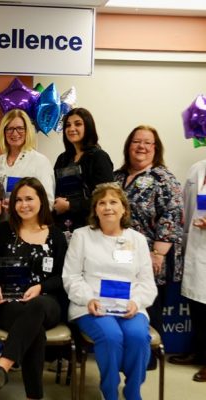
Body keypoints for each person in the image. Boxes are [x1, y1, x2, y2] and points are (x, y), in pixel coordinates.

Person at [62, 183, 157, 400]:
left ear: (124, 208)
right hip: (91, 305)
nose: (108, 207)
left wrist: (137, 302)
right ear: (95, 209)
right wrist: (88, 299)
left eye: (113, 202)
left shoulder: (137, 240)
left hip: (130, 305)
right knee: (111, 336)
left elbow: (146, 282)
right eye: (101, 203)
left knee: (138, 336)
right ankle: (109, 391)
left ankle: (133, 390)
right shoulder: (81, 236)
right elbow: (71, 276)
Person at [0, 177, 67, 399]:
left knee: (37, 306)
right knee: (34, 330)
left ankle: (4, 363)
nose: (24, 205)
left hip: (46, 301)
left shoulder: (56, 236)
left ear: (41, 200)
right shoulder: (2, 231)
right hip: (8, 302)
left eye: (29, 199)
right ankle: (34, 396)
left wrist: (41, 287)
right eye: (18, 200)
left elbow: (63, 277)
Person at [114, 125, 183, 369]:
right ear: (128, 146)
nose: (141, 147)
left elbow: (172, 216)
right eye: (136, 141)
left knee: (148, 305)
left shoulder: (163, 179)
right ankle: (127, 354)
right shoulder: (117, 177)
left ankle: (147, 359)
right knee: (125, 303)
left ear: (156, 148)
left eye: (147, 142)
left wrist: (158, 254)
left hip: (152, 255)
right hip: (121, 254)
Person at [53, 107, 114, 239]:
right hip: (63, 226)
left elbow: (105, 197)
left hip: (91, 227)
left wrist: (70, 205)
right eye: (68, 125)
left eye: (78, 124)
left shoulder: (99, 157)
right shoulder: (62, 159)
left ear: (88, 127)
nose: (72, 128)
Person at [172, 158, 206, 381]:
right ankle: (199, 352)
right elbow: (186, 207)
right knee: (198, 306)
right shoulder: (197, 168)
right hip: (196, 245)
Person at [0, 109, 55, 209]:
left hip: (27, 218)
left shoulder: (40, 162)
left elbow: (48, 202)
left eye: (20, 128)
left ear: (27, 131)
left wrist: (16, 207)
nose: (14, 133)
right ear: (3, 132)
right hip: (0, 217)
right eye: (9, 129)